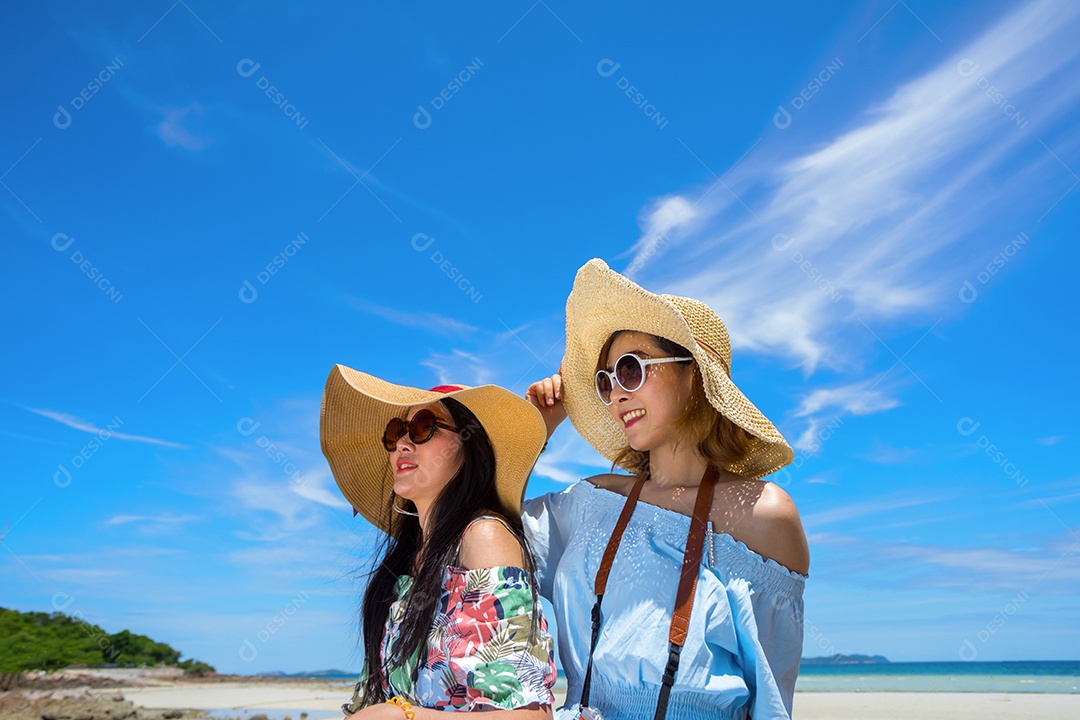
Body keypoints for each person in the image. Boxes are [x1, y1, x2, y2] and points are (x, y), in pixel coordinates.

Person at [523, 259, 810, 720]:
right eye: (604, 380)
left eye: (631, 370)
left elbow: (771, 700)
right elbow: (484, 533)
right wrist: (535, 433)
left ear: (692, 375)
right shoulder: (592, 501)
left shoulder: (762, 515)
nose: (615, 393)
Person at [320, 364, 558, 718]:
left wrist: (400, 715)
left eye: (422, 428)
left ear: (468, 446)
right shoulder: (407, 561)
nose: (402, 442)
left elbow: (529, 715)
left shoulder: (483, 537)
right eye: (396, 432)